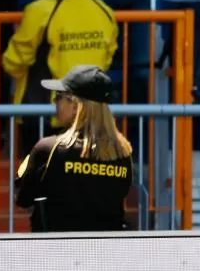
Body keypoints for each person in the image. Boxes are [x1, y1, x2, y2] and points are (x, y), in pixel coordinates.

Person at [2, 0, 117, 155]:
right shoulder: (103, 10)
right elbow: (107, 57)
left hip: (46, 114)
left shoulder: (40, 9)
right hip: (91, 115)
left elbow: (13, 62)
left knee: (42, 186)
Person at [15, 65, 134, 232]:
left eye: (58, 97)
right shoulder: (123, 153)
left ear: (75, 105)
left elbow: (23, 198)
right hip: (106, 252)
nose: (54, 102)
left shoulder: (49, 149)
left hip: (55, 251)